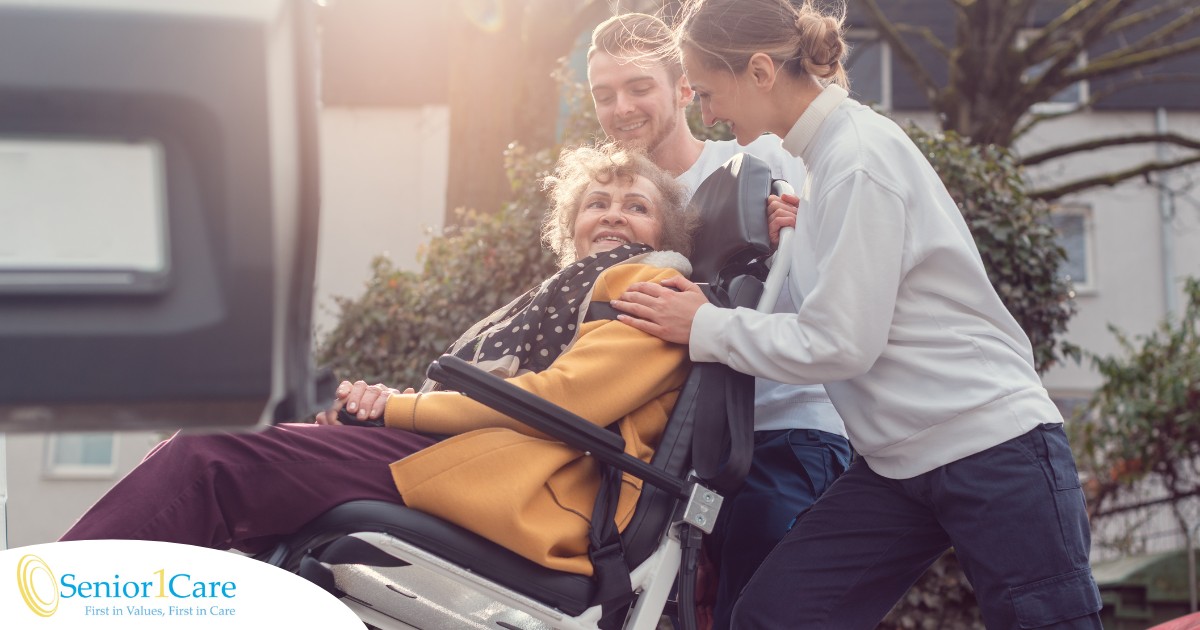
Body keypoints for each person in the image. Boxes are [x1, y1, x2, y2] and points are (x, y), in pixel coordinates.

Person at [610, 1, 1103, 628]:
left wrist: (703, 325)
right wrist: (804, 227)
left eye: (708, 93)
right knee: (774, 616)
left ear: (760, 71)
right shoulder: (821, 168)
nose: (707, 115)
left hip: (990, 445)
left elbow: (842, 343)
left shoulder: (857, 158)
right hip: (898, 465)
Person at [63, 143, 699, 577]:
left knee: (213, 455)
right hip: (479, 457)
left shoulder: (653, 288)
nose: (614, 214)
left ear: (664, 233)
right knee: (235, 485)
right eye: (598, 203)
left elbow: (560, 402)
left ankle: (42, 603)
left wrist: (396, 408)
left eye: (636, 205)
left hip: (533, 486)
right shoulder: (557, 295)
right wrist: (381, 413)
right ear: (572, 227)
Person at [587, 13, 850, 629]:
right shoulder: (614, 204)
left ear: (686, 89)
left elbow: (830, 289)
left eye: (638, 87)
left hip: (780, 434)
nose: (620, 107)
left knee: (759, 610)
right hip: (670, 457)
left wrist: (803, 230)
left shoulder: (754, 158)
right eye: (604, 95)